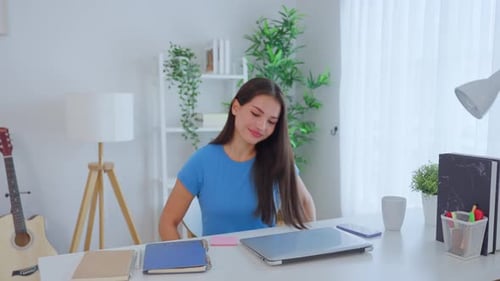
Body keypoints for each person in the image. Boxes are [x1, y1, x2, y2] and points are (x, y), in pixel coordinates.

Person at [158, 77, 316, 240]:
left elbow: (305, 203)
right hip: (218, 260)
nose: (262, 126)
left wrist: (304, 248)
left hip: (266, 260)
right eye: (255, 114)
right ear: (235, 107)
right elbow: (167, 222)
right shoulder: (202, 161)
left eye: (271, 121)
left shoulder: (277, 160)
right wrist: (186, 262)